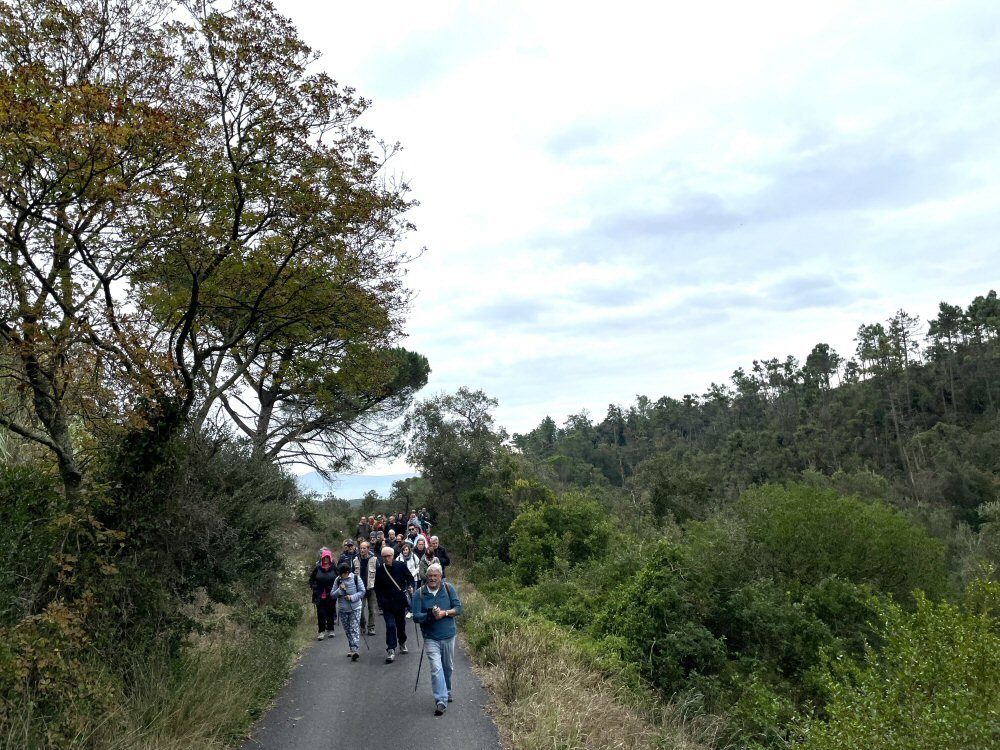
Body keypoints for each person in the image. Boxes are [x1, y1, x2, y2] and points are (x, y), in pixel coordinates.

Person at [411, 563, 462, 715]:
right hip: (430, 637)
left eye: (435, 575)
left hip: (448, 635)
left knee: (447, 666)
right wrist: (430, 615)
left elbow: (458, 609)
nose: (432, 578)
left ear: (440, 577)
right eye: (430, 576)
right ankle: (441, 700)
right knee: (436, 668)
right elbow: (415, 616)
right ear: (426, 577)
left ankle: (447, 689)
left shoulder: (448, 588)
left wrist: (444, 613)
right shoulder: (419, 593)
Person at [374, 545, 414, 663]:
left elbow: (410, 578)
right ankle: (391, 649)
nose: (387, 558)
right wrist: (381, 601)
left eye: (389, 556)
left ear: (393, 556)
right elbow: (377, 588)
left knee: (401, 625)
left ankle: (402, 642)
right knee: (390, 625)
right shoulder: (380, 570)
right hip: (387, 604)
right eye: (384, 556)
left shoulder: (401, 566)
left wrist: (410, 586)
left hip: (400, 602)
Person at [331, 562, 365, 660]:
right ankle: (351, 647)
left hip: (355, 608)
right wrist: (339, 590)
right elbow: (332, 595)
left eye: (341, 574)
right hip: (343, 609)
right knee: (347, 630)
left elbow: (362, 591)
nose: (340, 576)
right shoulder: (338, 580)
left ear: (347, 572)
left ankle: (354, 650)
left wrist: (352, 597)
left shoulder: (356, 578)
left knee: (354, 629)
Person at [308, 547, 338, 640]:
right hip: (319, 594)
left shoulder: (334, 568)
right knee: (320, 613)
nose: (326, 559)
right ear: (322, 558)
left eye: (327, 558)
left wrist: (338, 588)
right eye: (324, 558)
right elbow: (311, 579)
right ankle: (321, 631)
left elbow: (339, 579)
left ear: (330, 558)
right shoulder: (318, 568)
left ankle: (330, 630)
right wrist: (313, 586)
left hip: (331, 594)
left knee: (330, 612)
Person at [353, 541, 378, 636]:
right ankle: (362, 626)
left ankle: (371, 628)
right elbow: (351, 574)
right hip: (359, 589)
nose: (362, 550)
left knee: (372, 610)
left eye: (364, 548)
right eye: (361, 548)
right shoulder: (355, 560)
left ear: (368, 549)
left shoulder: (374, 560)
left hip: (371, 588)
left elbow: (379, 573)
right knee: (360, 609)